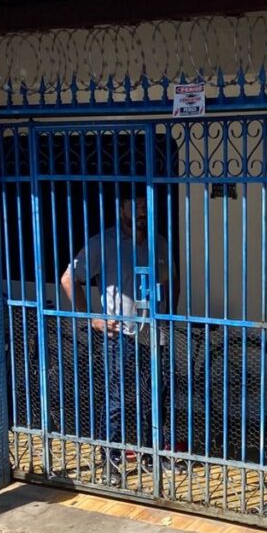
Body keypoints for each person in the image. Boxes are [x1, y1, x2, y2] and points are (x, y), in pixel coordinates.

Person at [60, 184, 177, 482]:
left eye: (145, 205)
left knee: (155, 397)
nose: (141, 211)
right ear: (121, 208)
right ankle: (109, 461)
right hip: (120, 335)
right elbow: (68, 278)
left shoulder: (158, 242)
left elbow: (170, 280)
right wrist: (91, 317)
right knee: (118, 400)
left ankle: (153, 454)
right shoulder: (104, 243)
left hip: (154, 334)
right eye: (134, 205)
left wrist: (169, 315)